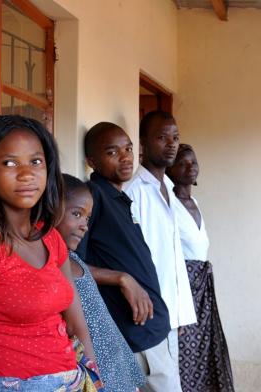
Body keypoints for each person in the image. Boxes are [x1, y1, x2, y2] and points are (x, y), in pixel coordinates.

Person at [0, 115, 100, 392]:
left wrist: (92, 372)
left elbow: (76, 320)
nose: (26, 174)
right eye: (10, 163)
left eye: (36, 161)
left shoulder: (49, 236)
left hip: (72, 379)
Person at [76, 121, 176, 392]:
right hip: (132, 335)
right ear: (92, 161)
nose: (125, 157)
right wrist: (122, 278)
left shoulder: (120, 197)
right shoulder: (93, 197)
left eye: (129, 149)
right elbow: (73, 266)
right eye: (112, 152)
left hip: (151, 329)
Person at [124, 110, 197, 392]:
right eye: (161, 137)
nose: (171, 144)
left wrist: (179, 313)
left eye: (175, 137)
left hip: (169, 315)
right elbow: (132, 257)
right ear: (142, 143)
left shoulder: (167, 187)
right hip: (149, 314)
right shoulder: (134, 191)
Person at [58, 174, 146, 392]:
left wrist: (120, 277)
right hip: (96, 374)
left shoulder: (73, 258)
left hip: (116, 364)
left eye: (87, 219)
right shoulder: (51, 265)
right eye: (77, 214)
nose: (84, 226)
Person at [166, 144, 235, 392]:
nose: (190, 167)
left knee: (206, 348)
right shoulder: (169, 204)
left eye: (193, 162)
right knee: (186, 351)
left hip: (203, 287)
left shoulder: (194, 201)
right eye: (182, 163)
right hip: (184, 285)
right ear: (170, 170)